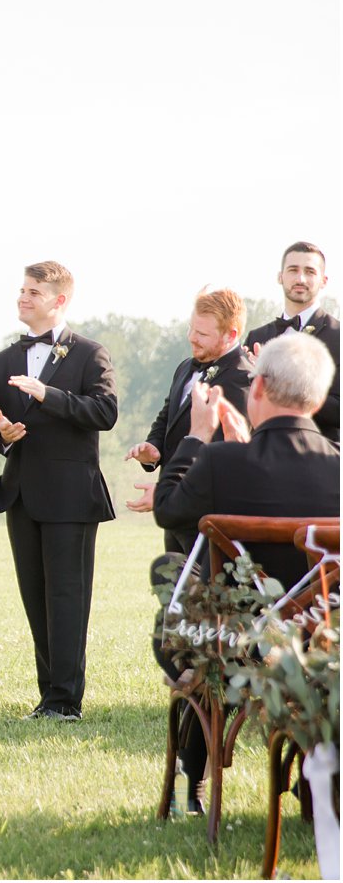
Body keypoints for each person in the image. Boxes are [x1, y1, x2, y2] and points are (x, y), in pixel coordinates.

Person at [151, 333, 339, 813]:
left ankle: (192, 781)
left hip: (239, 645)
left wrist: (196, 434)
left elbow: (168, 508)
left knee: (179, 593)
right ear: (317, 399)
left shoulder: (220, 462)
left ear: (256, 390)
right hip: (324, 645)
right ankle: (318, 779)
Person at [0, 261, 117, 722]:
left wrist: (46, 395)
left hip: (71, 496)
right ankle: (48, 697)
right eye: (21, 290)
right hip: (21, 495)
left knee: (67, 597)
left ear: (59, 300)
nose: (23, 298)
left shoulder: (90, 354)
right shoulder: (2, 361)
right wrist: (1, 432)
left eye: (34, 292)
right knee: (35, 596)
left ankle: (66, 701)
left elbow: (105, 411)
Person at [125, 288, 253, 553]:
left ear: (231, 335)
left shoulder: (243, 380)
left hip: (210, 518)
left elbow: (221, 456)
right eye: (191, 329)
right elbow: (168, 414)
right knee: (173, 591)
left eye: (203, 334)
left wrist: (167, 494)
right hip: (176, 516)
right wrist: (154, 449)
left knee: (203, 592)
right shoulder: (185, 366)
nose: (191, 338)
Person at [244, 241, 339, 441]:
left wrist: (277, 382)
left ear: (324, 280)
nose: (300, 278)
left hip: (320, 457)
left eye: (310, 272)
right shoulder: (257, 337)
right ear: (280, 277)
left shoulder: (338, 336)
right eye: (293, 270)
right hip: (262, 456)